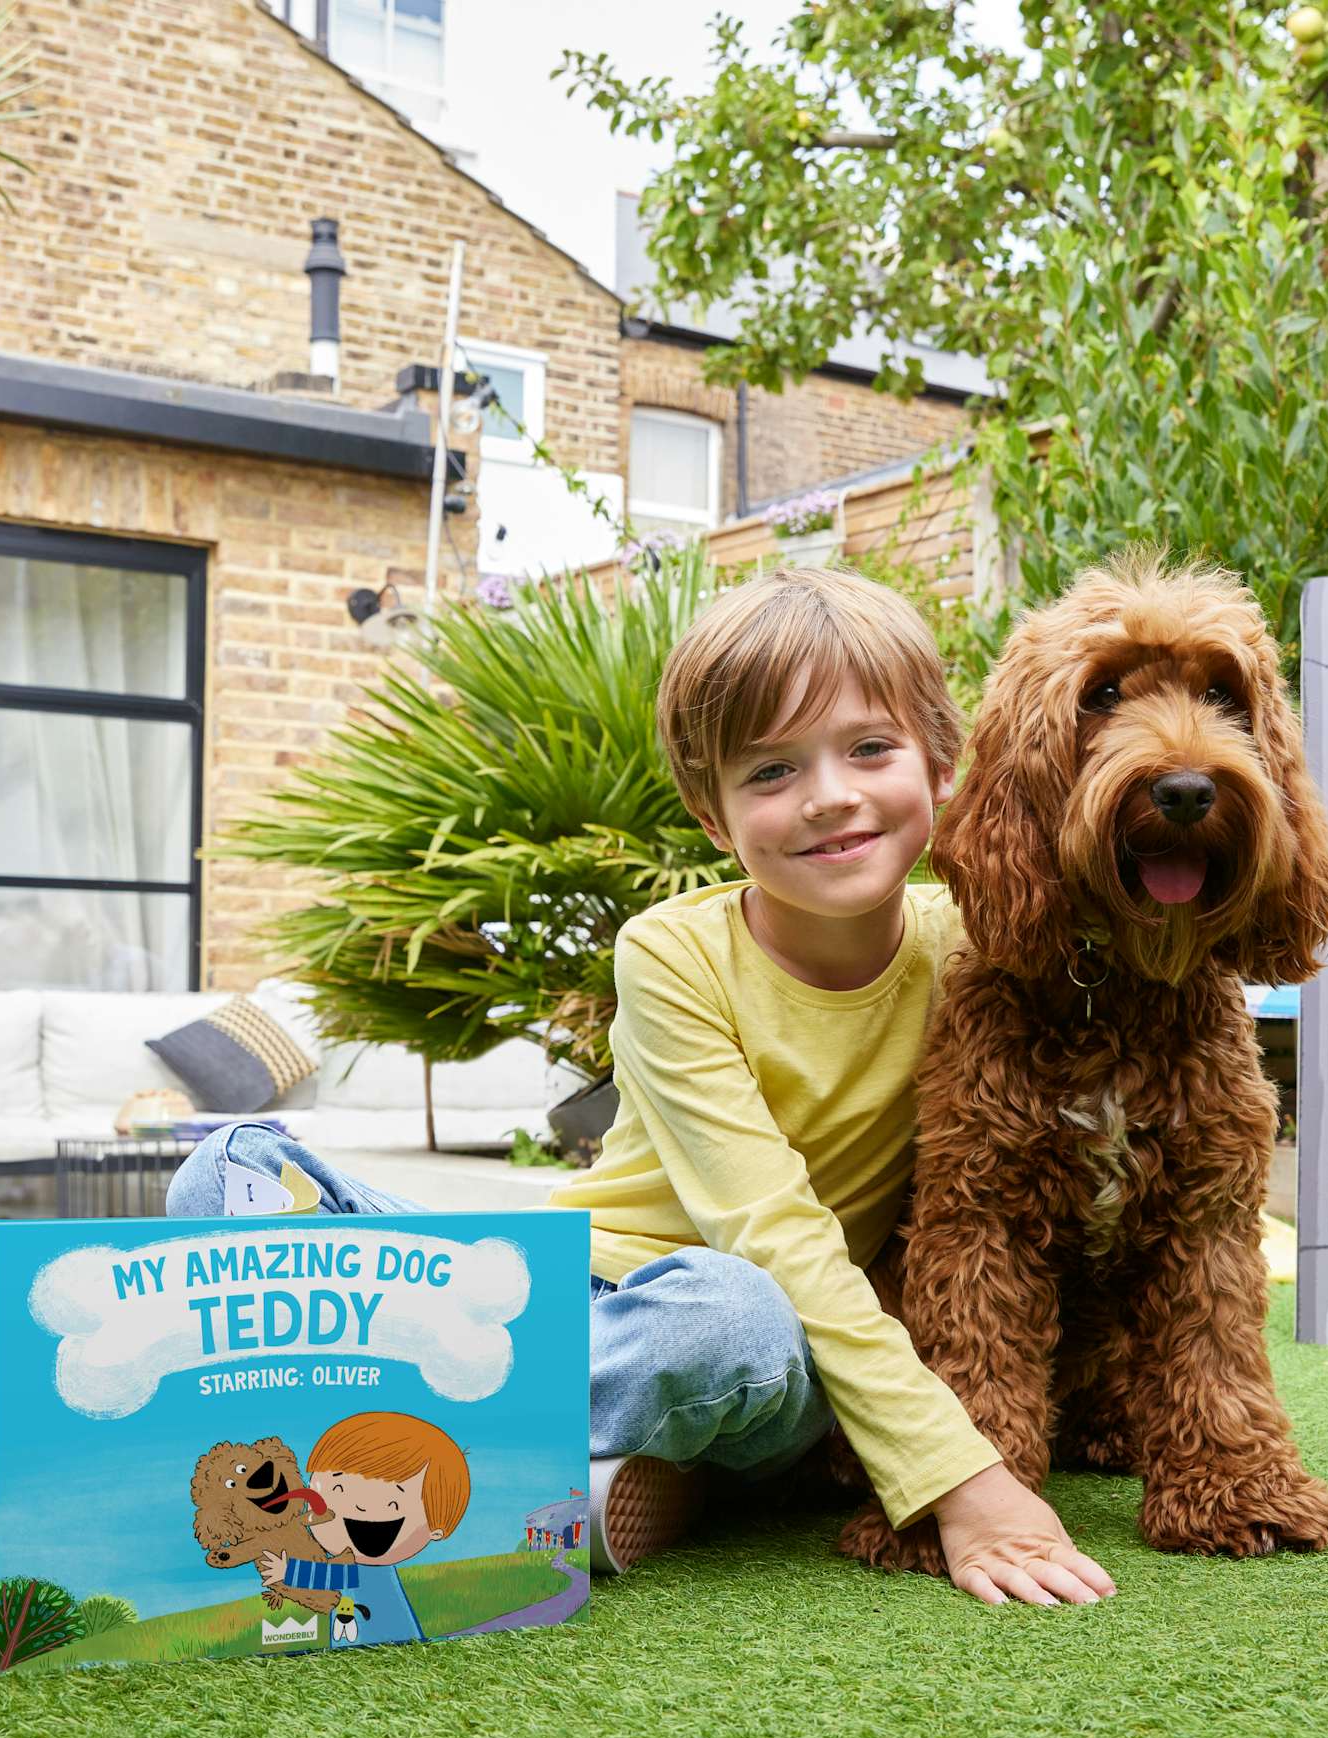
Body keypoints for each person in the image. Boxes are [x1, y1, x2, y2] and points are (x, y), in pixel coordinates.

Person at [170, 567, 1115, 1609]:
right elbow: (761, 1211)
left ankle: (364, 1441)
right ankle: (533, 1460)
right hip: (551, 1289)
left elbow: (781, 1261)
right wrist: (963, 1477)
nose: (829, 793)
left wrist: (958, 1461)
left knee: (728, 1319)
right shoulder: (671, 952)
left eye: (869, 748)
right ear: (713, 816)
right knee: (234, 1164)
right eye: (769, 770)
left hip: (757, 1333)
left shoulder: (976, 949)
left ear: (940, 765)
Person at [252, 1411, 470, 1649]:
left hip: (380, 1637)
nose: (361, 1506)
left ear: (436, 1528)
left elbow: (333, 1577)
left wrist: (289, 1571)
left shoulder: (366, 1572)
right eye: (338, 1488)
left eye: (391, 1503)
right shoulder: (360, 1566)